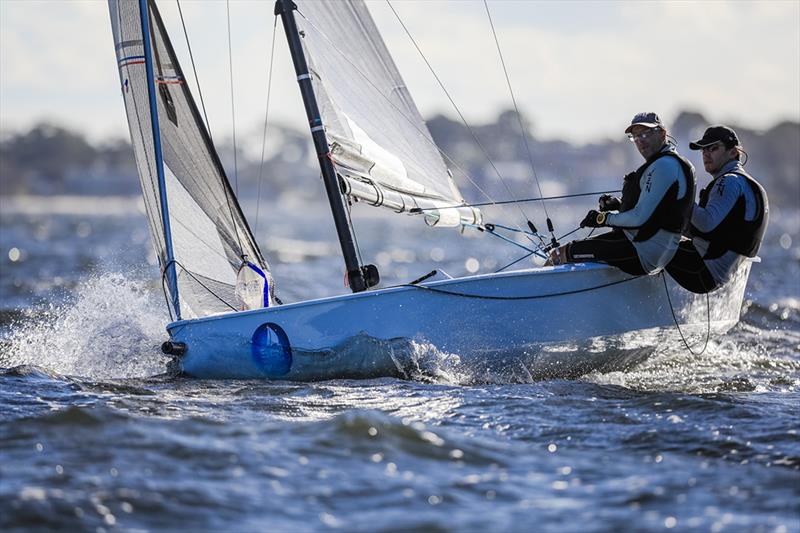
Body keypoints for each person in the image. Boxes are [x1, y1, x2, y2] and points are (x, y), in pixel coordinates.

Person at [547, 112, 695, 276]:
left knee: (559, 255)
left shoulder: (663, 165)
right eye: (635, 137)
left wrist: (602, 218)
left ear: (662, 134)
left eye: (645, 134)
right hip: (651, 247)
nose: (640, 141)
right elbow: (659, 210)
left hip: (641, 249)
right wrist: (618, 205)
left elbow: (640, 217)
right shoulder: (670, 163)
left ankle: (532, 299)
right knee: (573, 251)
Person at [665, 125, 769, 293]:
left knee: (644, 240)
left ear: (733, 152)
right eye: (703, 150)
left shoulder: (729, 181)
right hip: (720, 277)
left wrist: (678, 197)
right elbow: (716, 232)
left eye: (713, 148)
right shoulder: (747, 183)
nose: (706, 154)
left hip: (702, 272)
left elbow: (706, 223)